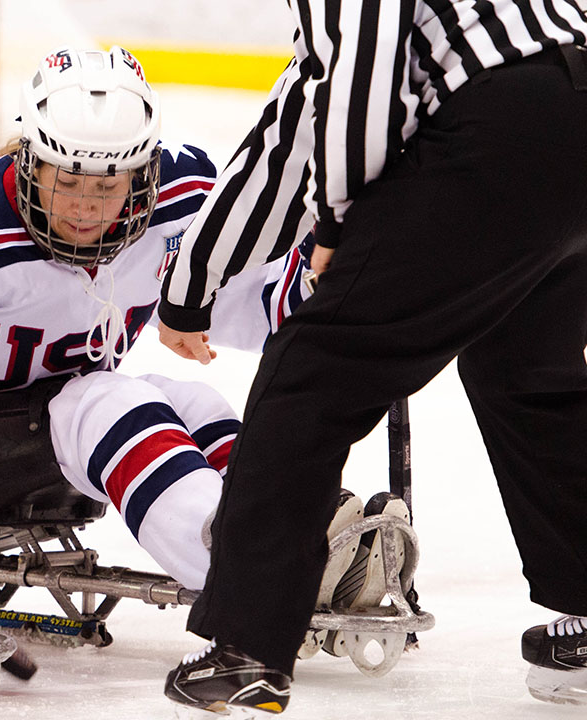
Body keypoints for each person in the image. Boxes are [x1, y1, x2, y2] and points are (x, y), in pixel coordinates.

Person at [159, 0, 587, 713]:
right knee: (524, 370)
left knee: (310, 374)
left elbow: (357, 76)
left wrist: (336, 215)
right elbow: (310, 109)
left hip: (502, 123)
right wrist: (197, 277)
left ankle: (249, 645)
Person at [0, 45, 324, 600]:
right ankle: (251, 569)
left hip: (44, 430)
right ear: (30, 160)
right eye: (65, 180)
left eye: (107, 186)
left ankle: (296, 529)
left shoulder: (181, 199)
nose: (84, 207)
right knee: (108, 401)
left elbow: (255, 306)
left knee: (188, 401)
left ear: (144, 175)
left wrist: (331, 273)